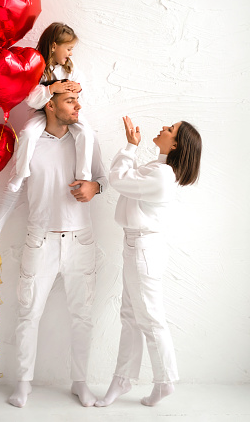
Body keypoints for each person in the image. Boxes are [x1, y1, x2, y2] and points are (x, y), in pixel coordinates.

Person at [0, 89, 107, 409]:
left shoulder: (85, 139)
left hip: (81, 241)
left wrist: (95, 186)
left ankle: (80, 384)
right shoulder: (31, 142)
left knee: (83, 317)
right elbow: (13, 189)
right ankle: (23, 384)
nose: (78, 105)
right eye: (69, 100)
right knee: (28, 314)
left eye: (78, 99)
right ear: (50, 105)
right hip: (41, 240)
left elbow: (104, 178)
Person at [95, 116, 202, 408]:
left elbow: (118, 178)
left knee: (150, 319)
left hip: (143, 248)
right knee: (130, 316)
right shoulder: (158, 168)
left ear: (176, 143)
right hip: (137, 246)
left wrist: (130, 146)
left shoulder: (162, 175)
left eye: (170, 129)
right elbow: (127, 176)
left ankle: (164, 380)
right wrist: (132, 149)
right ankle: (123, 378)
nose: (163, 128)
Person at [8, 22, 94, 192]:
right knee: (28, 134)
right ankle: (21, 173)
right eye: (68, 48)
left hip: (66, 112)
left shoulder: (70, 66)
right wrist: (52, 89)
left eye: (72, 50)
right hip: (45, 112)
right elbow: (31, 98)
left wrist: (78, 87)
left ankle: (83, 176)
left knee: (85, 133)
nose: (70, 53)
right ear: (54, 46)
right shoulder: (37, 66)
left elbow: (81, 83)